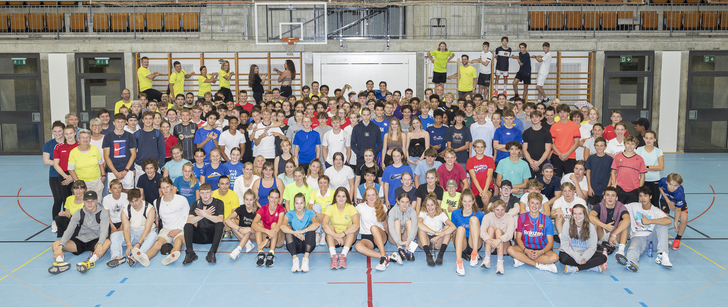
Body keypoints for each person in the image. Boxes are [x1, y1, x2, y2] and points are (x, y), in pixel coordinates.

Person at [48, 191, 110, 275]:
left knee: (107, 242)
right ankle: (60, 263)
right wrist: (61, 246)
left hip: (95, 241)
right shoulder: (79, 213)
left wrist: (99, 244)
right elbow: (69, 230)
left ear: (96, 200)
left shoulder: (103, 213)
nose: (90, 203)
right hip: (80, 241)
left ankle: (90, 262)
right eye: (87, 201)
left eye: (92, 201)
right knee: (56, 244)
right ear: (84, 201)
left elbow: (104, 231)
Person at [613, 186, 673, 272]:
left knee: (662, 224)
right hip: (638, 238)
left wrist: (650, 221)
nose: (642, 198)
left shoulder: (655, 211)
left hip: (652, 240)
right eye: (640, 196)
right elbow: (619, 206)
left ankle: (662, 255)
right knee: (633, 248)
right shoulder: (633, 206)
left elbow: (668, 220)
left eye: (645, 195)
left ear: (650, 197)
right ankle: (631, 263)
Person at [507, 193, 559, 273]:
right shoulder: (522, 217)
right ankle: (539, 265)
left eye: (537, 203)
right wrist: (526, 250)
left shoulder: (546, 220)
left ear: (541, 205)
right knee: (510, 249)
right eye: (532, 203)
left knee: (555, 257)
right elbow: (518, 238)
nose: (534, 206)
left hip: (541, 249)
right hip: (526, 247)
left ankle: (523, 260)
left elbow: (550, 243)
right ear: (528, 203)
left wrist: (541, 252)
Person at [106, 189, 157, 268]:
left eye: (136, 200)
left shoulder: (149, 208)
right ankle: (117, 256)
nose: (134, 203)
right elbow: (126, 229)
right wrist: (129, 244)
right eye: (131, 201)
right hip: (132, 233)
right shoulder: (125, 210)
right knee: (114, 235)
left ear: (140, 198)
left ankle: (137, 255)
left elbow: (147, 229)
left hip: (145, 233)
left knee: (153, 235)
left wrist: (138, 245)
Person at [181, 183, 225, 265]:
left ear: (212, 192)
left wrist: (205, 214)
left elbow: (220, 219)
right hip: (199, 235)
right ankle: (190, 253)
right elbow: (189, 221)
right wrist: (202, 215)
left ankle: (212, 253)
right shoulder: (196, 204)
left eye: (207, 192)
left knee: (220, 225)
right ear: (199, 193)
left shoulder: (218, 203)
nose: (205, 195)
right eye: (202, 193)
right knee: (187, 226)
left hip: (212, 236)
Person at [559, 204, 607, 273]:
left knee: (603, 258)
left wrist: (584, 258)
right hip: (571, 253)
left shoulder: (590, 227)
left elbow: (592, 247)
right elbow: (565, 246)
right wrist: (578, 258)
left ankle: (576, 268)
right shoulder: (567, 225)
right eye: (575, 213)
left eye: (580, 214)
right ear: (572, 215)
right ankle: (590, 266)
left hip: (584, 253)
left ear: (584, 215)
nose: (577, 216)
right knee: (563, 259)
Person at [281, 192, 320, 272]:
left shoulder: (309, 212)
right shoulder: (290, 213)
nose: (299, 206)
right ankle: (295, 259)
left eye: (301, 203)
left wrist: (303, 231)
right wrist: (295, 233)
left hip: (307, 244)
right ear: (293, 204)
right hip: (294, 245)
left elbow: (316, 224)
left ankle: (306, 259)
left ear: (305, 203)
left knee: (310, 227)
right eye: (297, 203)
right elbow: (282, 226)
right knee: (288, 228)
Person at [322, 187, 359, 269]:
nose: (341, 198)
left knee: (351, 227)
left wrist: (342, 234)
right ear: (335, 197)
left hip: (347, 237)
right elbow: (324, 224)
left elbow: (356, 225)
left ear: (347, 198)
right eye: (339, 196)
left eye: (343, 196)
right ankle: (333, 256)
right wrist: (335, 235)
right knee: (329, 227)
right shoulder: (331, 208)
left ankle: (343, 255)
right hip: (334, 238)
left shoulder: (351, 208)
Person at [355, 187, 391, 271]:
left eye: (373, 195)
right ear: (365, 197)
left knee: (373, 227)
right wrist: (354, 237)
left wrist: (389, 237)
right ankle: (385, 257)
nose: (371, 198)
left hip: (381, 235)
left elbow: (385, 224)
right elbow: (357, 224)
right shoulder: (360, 207)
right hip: (367, 238)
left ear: (377, 196)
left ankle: (382, 260)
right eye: (368, 195)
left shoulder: (383, 207)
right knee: (358, 246)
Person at [589, 187, 629, 257]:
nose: (610, 198)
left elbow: (627, 220)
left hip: (615, 237)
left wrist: (614, 234)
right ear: (604, 197)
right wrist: (605, 226)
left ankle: (621, 251)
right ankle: (593, 247)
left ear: (616, 198)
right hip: (602, 233)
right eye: (608, 195)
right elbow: (590, 216)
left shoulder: (621, 206)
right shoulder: (599, 205)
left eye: (613, 196)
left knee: (624, 224)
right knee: (594, 221)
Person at [451, 190, 484, 275]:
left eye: (469, 201)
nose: (467, 204)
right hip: (462, 245)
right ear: (461, 201)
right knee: (461, 229)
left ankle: (475, 254)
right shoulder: (455, 213)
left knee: (473, 219)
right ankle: (459, 262)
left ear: (473, 201)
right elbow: (452, 229)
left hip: (474, 243)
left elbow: (484, 231)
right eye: (465, 201)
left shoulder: (480, 214)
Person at [417, 194, 455, 266]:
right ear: (425, 206)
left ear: (436, 205)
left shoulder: (441, 214)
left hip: (438, 240)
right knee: (421, 228)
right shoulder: (423, 213)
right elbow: (419, 224)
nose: (430, 207)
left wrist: (438, 236)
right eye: (428, 205)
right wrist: (435, 232)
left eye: (432, 205)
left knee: (447, 227)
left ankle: (440, 255)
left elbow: (453, 226)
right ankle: (428, 255)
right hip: (425, 240)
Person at [252, 188, 286, 267]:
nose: (273, 200)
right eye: (272, 197)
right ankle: (260, 253)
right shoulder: (263, 209)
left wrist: (266, 240)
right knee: (258, 225)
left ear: (279, 199)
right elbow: (253, 224)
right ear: (268, 197)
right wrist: (267, 231)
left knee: (274, 224)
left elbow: (278, 226)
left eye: (276, 198)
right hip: (266, 240)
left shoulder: (281, 209)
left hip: (277, 240)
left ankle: (271, 254)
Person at [479, 199, 515, 274]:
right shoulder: (488, 216)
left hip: (503, 245)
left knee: (498, 230)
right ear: (493, 209)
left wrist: (499, 240)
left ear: (505, 209)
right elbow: (482, 231)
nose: (500, 212)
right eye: (497, 210)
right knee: (491, 229)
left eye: (502, 210)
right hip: (491, 245)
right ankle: (487, 259)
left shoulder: (509, 217)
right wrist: (488, 240)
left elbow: (510, 234)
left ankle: (500, 263)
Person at [68, 129, 105, 198]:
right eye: (83, 137)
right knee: (83, 205)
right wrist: (79, 184)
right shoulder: (73, 152)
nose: (85, 139)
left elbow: (100, 163)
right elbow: (71, 170)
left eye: (87, 137)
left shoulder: (95, 148)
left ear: (90, 139)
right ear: (78, 139)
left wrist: (103, 176)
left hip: (96, 182)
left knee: (97, 203)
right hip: (81, 184)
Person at [45, 121, 67, 232]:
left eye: (59, 131)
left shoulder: (68, 143)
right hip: (54, 175)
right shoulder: (49, 144)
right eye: (55, 131)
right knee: (58, 199)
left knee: (66, 199)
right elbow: (46, 160)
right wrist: (59, 163)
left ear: (63, 130)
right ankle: (55, 222)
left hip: (68, 175)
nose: (57, 133)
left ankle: (66, 221)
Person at [610, 136, 646, 204]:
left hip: (634, 189)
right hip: (620, 188)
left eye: (632, 144)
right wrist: (614, 184)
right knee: (619, 210)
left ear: (635, 146)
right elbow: (613, 171)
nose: (630, 146)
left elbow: (642, 175)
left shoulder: (640, 159)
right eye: (628, 143)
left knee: (631, 211)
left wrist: (639, 189)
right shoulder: (618, 156)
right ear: (624, 144)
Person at [387, 193, 419, 265]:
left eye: (407, 202)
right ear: (398, 202)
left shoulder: (412, 211)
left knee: (409, 222)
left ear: (409, 202)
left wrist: (408, 241)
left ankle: (410, 250)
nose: (404, 204)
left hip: (406, 239)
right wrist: (399, 242)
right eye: (402, 202)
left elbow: (415, 227)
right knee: (397, 222)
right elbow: (391, 228)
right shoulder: (393, 211)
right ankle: (400, 249)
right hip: (394, 239)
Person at [226, 190, 259, 259]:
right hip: (241, 233)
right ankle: (247, 243)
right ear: (244, 200)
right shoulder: (241, 208)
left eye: (251, 200)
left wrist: (249, 229)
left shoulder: (257, 210)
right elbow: (227, 219)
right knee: (232, 221)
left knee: (247, 232)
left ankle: (237, 250)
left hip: (252, 234)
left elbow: (259, 228)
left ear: (254, 200)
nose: (248, 202)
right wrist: (239, 228)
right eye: (247, 199)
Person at [550, 104, 581, 178]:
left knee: (570, 179)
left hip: (570, 156)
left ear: (568, 113)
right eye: (560, 112)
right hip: (556, 156)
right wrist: (559, 154)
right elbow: (551, 143)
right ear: (557, 114)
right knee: (556, 179)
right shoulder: (554, 126)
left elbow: (576, 143)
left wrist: (567, 154)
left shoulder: (574, 126)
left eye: (564, 112)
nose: (562, 114)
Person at [658, 173, 687, 250]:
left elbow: (678, 210)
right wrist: (668, 201)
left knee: (684, 219)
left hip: (678, 202)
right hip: (665, 199)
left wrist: (675, 222)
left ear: (679, 185)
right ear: (667, 182)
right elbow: (660, 188)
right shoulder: (663, 181)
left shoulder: (679, 193)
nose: (672, 187)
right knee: (664, 219)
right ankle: (664, 239)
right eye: (670, 184)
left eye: (675, 185)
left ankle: (678, 239)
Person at [636, 131, 664, 209]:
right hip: (642, 180)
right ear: (644, 139)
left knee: (655, 202)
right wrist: (653, 167)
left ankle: (655, 220)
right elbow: (637, 165)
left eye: (651, 138)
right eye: (647, 138)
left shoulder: (658, 151)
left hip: (654, 180)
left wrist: (645, 167)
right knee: (642, 201)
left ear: (655, 139)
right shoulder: (639, 150)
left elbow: (661, 167)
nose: (648, 140)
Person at [522, 111, 552, 178]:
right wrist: (531, 163)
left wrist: (538, 163)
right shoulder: (526, 132)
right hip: (529, 162)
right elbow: (524, 149)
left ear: (541, 118)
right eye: (532, 117)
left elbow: (548, 150)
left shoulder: (546, 133)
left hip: (542, 162)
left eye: (536, 117)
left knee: (541, 185)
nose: (534, 119)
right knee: (528, 185)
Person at [467, 139, 495, 209]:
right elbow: (473, 177)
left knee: (485, 200)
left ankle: (487, 218)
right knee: (478, 209)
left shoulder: (489, 159)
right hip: (476, 189)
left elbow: (489, 176)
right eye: (478, 147)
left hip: (488, 187)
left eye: (482, 147)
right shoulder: (470, 161)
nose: (480, 149)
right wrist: (481, 191)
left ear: (484, 148)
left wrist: (485, 191)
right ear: (474, 148)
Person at [585, 137, 613, 206]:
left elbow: (612, 174)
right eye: (597, 145)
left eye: (601, 145)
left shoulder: (610, 159)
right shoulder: (591, 158)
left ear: (605, 147)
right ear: (594, 146)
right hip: (593, 188)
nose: (599, 147)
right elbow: (588, 173)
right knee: (593, 208)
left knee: (604, 208)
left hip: (604, 188)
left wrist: (607, 188)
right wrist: (589, 187)